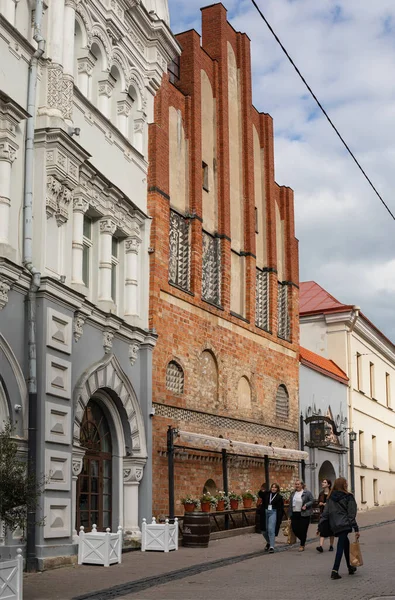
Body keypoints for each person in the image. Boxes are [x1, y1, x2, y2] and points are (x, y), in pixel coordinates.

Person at [319, 477, 360, 580]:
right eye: (346, 483)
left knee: (345, 543)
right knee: (341, 546)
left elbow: (326, 513)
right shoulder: (349, 496)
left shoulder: (330, 497)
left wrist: (320, 525)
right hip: (345, 524)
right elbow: (352, 514)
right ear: (343, 485)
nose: (347, 484)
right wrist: (356, 528)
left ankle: (350, 567)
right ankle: (334, 571)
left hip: (335, 525)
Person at [258, 483, 285, 553]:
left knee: (271, 529)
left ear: (277, 489)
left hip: (273, 512)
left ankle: (272, 546)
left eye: (275, 488)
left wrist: (280, 518)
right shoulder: (267, 494)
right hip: (265, 512)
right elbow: (260, 495)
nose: (273, 489)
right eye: (272, 487)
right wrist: (261, 490)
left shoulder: (279, 497)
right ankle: (269, 542)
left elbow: (281, 508)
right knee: (264, 530)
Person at [288, 479, 314, 551]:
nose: (297, 485)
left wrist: (306, 505)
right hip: (295, 513)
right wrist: (289, 514)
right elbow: (290, 504)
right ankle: (303, 539)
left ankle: (302, 545)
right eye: (296, 484)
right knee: (295, 529)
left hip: (304, 514)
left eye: (298, 484)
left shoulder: (307, 493)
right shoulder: (293, 493)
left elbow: (312, 500)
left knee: (303, 530)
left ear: (302, 485)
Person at [316, 478, 335, 553]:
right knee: (322, 529)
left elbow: (335, 503)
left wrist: (328, 505)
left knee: (331, 530)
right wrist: (320, 504)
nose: (322, 483)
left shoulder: (332, 493)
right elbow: (318, 502)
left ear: (328, 484)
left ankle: (331, 545)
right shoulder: (321, 493)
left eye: (324, 482)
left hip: (331, 514)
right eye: (322, 482)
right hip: (323, 514)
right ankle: (320, 546)